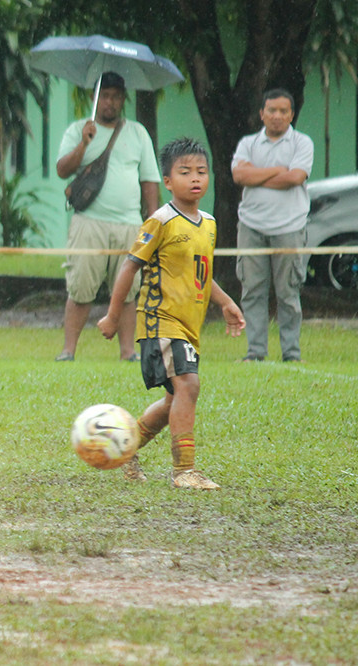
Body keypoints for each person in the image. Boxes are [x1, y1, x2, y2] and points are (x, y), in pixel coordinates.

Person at [97, 138, 246, 490]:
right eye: (185, 172)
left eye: (201, 172)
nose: (195, 178)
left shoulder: (208, 223)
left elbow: (201, 274)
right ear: (167, 181)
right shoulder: (159, 221)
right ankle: (185, 471)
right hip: (160, 320)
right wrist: (113, 315)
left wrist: (225, 302)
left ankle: (126, 447)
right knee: (188, 386)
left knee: (173, 400)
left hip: (188, 325)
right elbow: (129, 269)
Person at [56, 72, 161, 362]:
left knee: (128, 290)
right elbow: (63, 170)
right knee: (80, 287)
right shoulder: (79, 129)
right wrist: (84, 144)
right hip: (88, 221)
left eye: (115, 96)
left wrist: (153, 223)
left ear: (123, 99)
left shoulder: (138, 132)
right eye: (104, 95)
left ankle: (128, 351)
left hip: (129, 223)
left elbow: (149, 181)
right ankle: (68, 350)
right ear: (94, 98)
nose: (109, 102)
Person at [231, 89, 313, 362]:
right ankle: (255, 352)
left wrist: (256, 175)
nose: (277, 116)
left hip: (289, 227)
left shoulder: (302, 143)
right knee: (252, 290)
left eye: (283, 111)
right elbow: (239, 175)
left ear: (291, 114)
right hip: (251, 226)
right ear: (262, 114)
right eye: (271, 111)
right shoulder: (248, 143)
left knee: (288, 293)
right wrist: (277, 170)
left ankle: (291, 353)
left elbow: (295, 177)